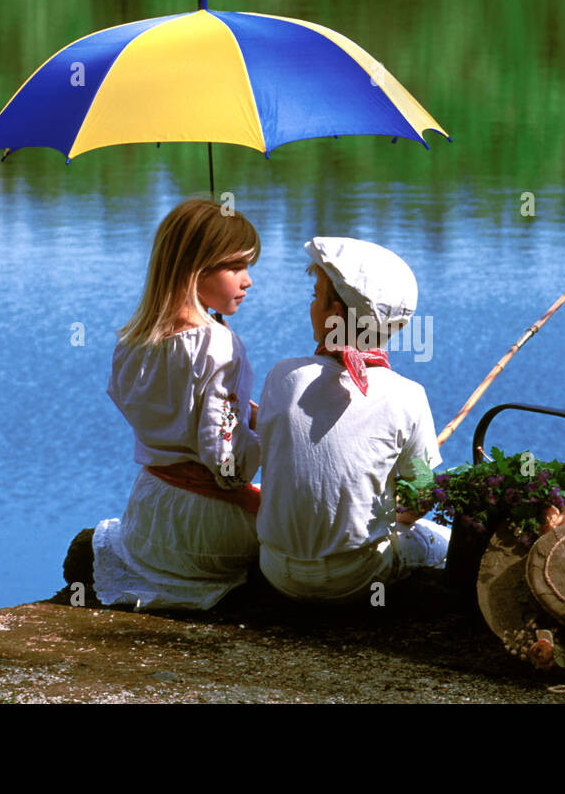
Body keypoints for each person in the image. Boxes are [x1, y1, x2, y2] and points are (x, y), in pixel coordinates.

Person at [72, 198, 262, 611]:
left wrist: (231, 413)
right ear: (196, 268)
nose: (247, 281)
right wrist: (263, 433)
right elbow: (228, 468)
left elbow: (151, 407)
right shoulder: (221, 344)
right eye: (236, 267)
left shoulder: (132, 340)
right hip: (209, 534)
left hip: (149, 518)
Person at [255, 236, 451, 603]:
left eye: (315, 296)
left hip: (278, 574)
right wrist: (401, 511)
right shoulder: (408, 394)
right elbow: (425, 494)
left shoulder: (282, 376)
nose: (310, 306)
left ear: (335, 312)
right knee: (439, 540)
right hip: (360, 580)